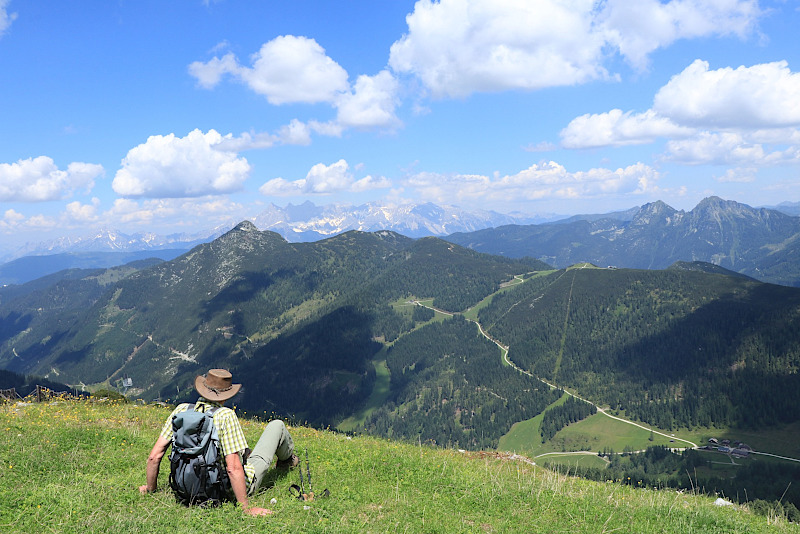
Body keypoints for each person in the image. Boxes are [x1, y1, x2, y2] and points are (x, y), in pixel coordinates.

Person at [138, 368, 298, 516]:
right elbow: (233, 467)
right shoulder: (225, 416)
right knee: (277, 425)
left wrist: (150, 489)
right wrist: (246, 507)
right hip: (222, 491)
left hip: (185, 488)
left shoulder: (180, 410)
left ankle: (284, 461)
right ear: (226, 395)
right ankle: (287, 461)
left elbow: (154, 456)